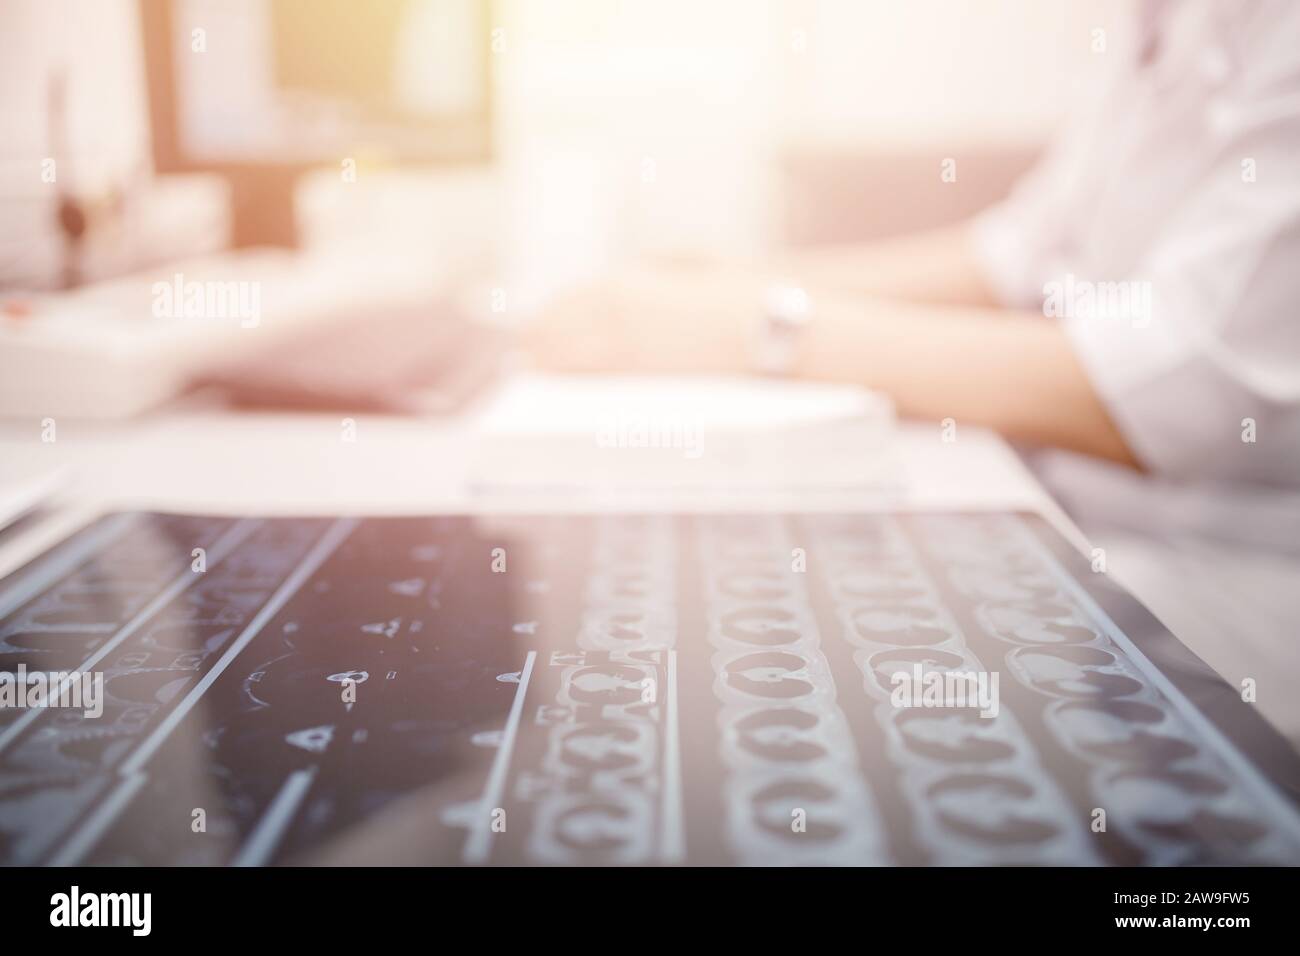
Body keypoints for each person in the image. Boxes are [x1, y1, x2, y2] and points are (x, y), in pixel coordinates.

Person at [523, 0, 1300, 498]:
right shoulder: (1154, 18)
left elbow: (1190, 382)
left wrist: (749, 327)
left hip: (1219, 607)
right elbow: (1018, 255)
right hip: (1079, 516)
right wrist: (732, 279)